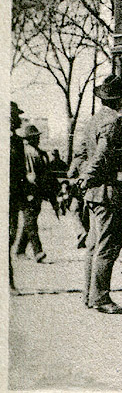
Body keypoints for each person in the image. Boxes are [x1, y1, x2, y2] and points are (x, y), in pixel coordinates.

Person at [78, 76, 122, 313]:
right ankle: (101, 298)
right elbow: (101, 155)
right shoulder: (113, 121)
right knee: (107, 246)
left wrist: (84, 178)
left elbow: (82, 152)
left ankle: (89, 295)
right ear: (119, 98)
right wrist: (88, 178)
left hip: (96, 194)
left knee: (94, 246)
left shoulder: (93, 120)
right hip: (109, 193)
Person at [15, 124, 54, 263]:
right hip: (30, 191)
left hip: (35, 191)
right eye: (35, 137)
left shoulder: (36, 151)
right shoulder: (29, 152)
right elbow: (31, 175)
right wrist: (33, 190)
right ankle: (38, 251)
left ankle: (20, 250)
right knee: (31, 221)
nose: (38, 139)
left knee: (30, 221)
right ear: (29, 138)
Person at [10, 103, 31, 289]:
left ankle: (8, 279)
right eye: (16, 116)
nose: (19, 119)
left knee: (11, 235)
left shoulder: (16, 141)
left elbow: (21, 171)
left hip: (14, 196)